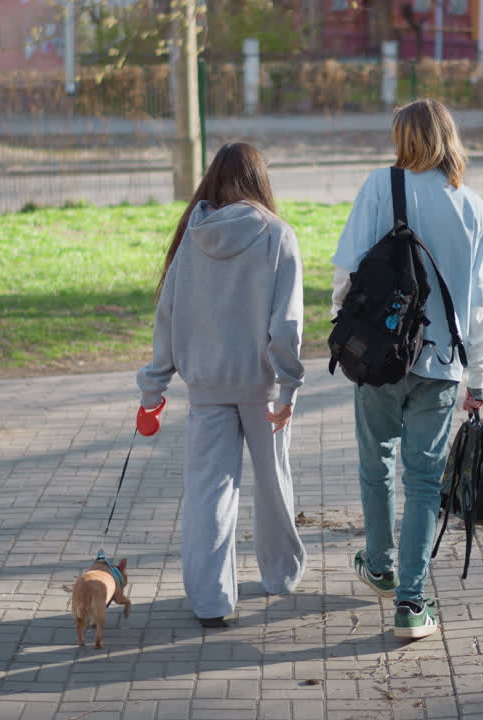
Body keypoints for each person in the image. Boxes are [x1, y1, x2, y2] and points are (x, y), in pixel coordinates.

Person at [331, 99, 483, 639]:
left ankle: (380, 566)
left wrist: (348, 329)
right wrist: (478, 379)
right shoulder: (471, 206)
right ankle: (411, 602)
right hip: (442, 364)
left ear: (402, 137)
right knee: (425, 481)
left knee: (375, 462)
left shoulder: (380, 187)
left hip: (379, 357)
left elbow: (347, 272)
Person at [137, 142, 307, 629]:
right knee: (273, 486)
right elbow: (287, 324)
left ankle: (211, 601)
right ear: (260, 179)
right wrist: (289, 387)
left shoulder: (192, 237)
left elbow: (167, 316)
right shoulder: (277, 235)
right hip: (264, 387)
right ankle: (280, 576)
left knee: (208, 494)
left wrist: (154, 386)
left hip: (206, 387)